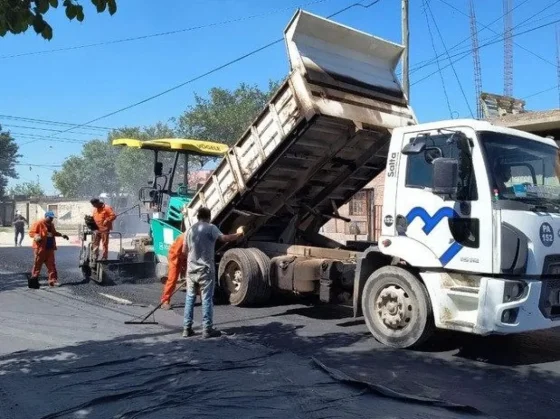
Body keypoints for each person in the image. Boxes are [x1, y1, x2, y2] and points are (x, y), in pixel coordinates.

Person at [182, 207, 244, 338]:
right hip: (205, 270)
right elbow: (225, 238)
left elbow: (184, 251)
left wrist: (193, 259)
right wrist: (239, 233)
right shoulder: (211, 228)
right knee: (206, 299)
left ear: (198, 217)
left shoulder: (189, 230)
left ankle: (187, 329)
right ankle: (207, 329)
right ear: (208, 217)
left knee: (190, 298)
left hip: (191, 270)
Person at [28, 211, 69, 288]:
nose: (51, 219)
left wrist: (62, 235)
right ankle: (34, 280)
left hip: (50, 249)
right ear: (46, 216)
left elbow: (54, 233)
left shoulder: (51, 225)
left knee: (52, 266)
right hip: (40, 249)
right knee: (37, 265)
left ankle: (52, 281)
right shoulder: (39, 223)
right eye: (50, 217)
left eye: (52, 218)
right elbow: (31, 233)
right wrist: (37, 237)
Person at [160, 233, 187, 310]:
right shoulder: (182, 238)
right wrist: (182, 267)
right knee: (172, 279)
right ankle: (165, 301)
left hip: (185, 257)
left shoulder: (194, 236)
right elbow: (177, 253)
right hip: (175, 258)